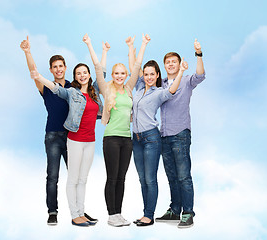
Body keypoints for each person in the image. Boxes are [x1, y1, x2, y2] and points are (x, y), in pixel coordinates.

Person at [20, 36, 105, 225]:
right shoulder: (47, 87)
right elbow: (34, 72)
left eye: (61, 66)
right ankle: (53, 211)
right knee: (53, 175)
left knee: (76, 176)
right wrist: (28, 52)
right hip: (52, 136)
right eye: (55, 67)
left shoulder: (73, 87)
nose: (58, 69)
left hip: (72, 137)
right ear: (51, 70)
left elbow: (90, 87)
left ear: (66, 68)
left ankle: (79, 211)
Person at [83, 33, 150, 227]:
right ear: (112, 76)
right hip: (111, 138)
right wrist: (90, 44)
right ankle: (111, 215)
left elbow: (137, 67)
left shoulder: (129, 88)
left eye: (123, 73)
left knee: (122, 178)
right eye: (116, 73)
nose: (120, 76)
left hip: (126, 139)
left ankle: (118, 213)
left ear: (126, 76)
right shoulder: (106, 88)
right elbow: (97, 68)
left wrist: (141, 44)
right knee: (112, 177)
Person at [131, 58, 188, 227]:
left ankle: (149, 215)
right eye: (146, 74)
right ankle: (145, 213)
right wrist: (133, 47)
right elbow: (134, 66)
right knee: (142, 179)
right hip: (136, 139)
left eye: (152, 74)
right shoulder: (139, 88)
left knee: (150, 179)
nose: (148, 77)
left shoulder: (159, 92)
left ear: (157, 76)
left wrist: (181, 72)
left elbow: (171, 90)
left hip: (151, 139)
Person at [155, 39, 205, 228]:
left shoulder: (186, 81)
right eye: (167, 62)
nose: (170, 64)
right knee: (171, 176)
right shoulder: (161, 84)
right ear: (165, 66)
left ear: (178, 64)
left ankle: (188, 212)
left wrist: (198, 54)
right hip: (164, 135)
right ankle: (175, 210)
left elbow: (200, 75)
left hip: (181, 134)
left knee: (184, 176)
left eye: (173, 62)